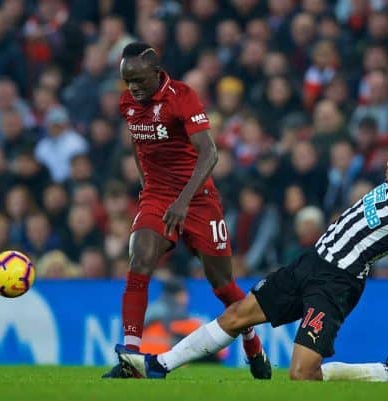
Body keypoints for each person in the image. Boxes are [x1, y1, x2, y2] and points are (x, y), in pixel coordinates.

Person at [103, 48, 388, 381]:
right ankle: (158, 366)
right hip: (310, 262)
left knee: (302, 374)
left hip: (336, 284)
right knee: (237, 316)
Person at [107, 42, 270, 379]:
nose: (133, 88)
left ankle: (252, 342)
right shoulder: (128, 103)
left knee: (223, 286)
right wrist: (146, 186)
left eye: (138, 80)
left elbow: (210, 154)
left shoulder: (182, 96)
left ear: (156, 72)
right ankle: (131, 358)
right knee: (139, 260)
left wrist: (182, 201)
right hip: (156, 194)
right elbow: (139, 147)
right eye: (127, 81)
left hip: (198, 199)